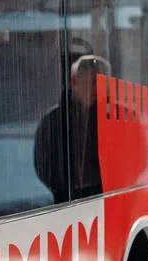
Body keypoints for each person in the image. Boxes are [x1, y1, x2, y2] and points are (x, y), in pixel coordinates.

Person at [34, 46, 107, 202]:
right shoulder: (52, 122)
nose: (99, 89)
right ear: (74, 82)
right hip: (66, 208)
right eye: (94, 82)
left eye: (102, 83)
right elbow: (45, 168)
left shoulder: (110, 118)